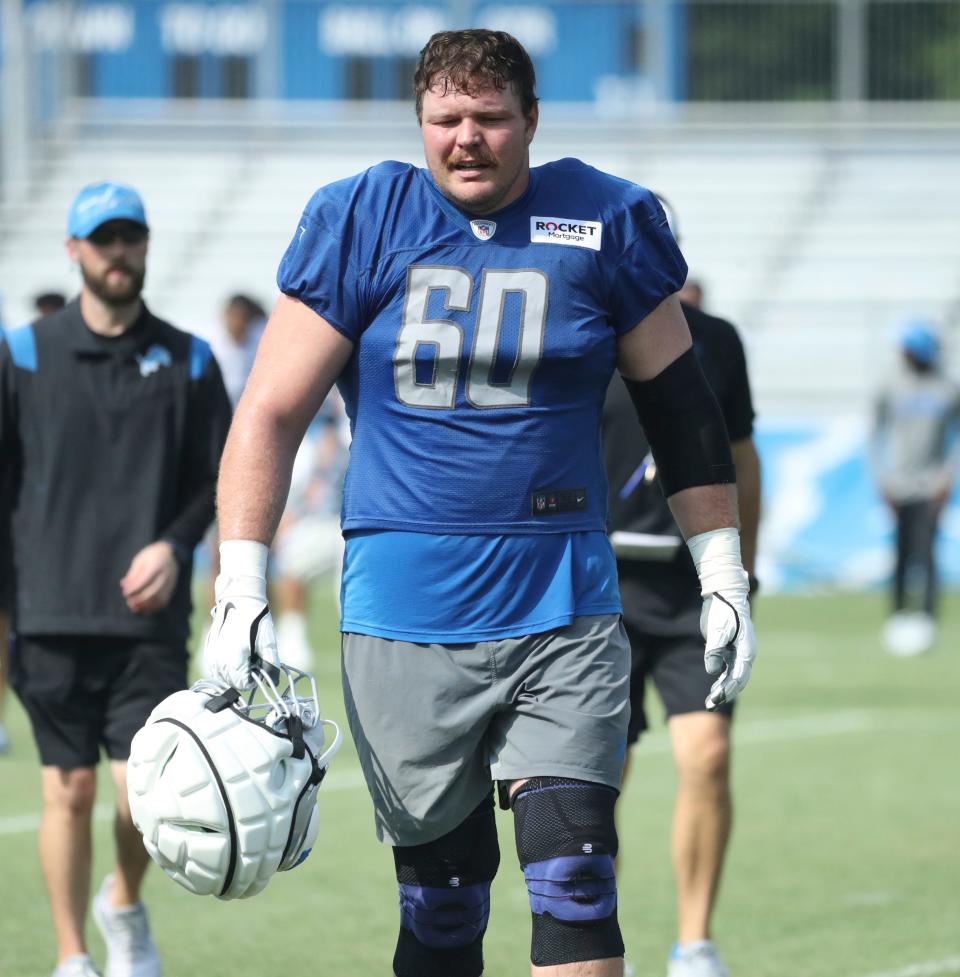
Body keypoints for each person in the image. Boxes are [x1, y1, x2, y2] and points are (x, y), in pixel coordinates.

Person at [202, 29, 757, 977]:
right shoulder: (363, 217)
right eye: (446, 119)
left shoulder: (605, 217)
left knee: (577, 873)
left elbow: (682, 408)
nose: (468, 139)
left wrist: (723, 568)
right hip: (404, 607)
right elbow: (269, 411)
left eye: (492, 119)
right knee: (445, 902)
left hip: (563, 597)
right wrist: (240, 583)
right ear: (418, 123)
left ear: (533, 121)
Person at [0, 181, 231, 977]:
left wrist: (173, 546)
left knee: (143, 799)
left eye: (132, 237)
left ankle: (123, 904)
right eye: (104, 240)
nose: (120, 252)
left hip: (148, 625)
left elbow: (220, 479)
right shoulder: (22, 353)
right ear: (73, 251)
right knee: (65, 792)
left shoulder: (192, 358)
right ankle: (71, 955)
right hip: (49, 614)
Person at [604, 218, 760, 976]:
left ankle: (694, 945)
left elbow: (740, 460)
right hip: (596, 592)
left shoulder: (717, 340)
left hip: (688, 589)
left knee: (708, 754)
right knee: (594, 777)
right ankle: (599, 942)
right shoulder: (578, 332)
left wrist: (743, 574)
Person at [872, 319, 960, 656]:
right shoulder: (891, 386)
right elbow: (875, 434)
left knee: (927, 553)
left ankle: (927, 616)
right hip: (898, 485)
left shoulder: (947, 389)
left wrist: (947, 478)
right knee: (900, 553)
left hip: (932, 487)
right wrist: (883, 477)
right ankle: (897, 615)